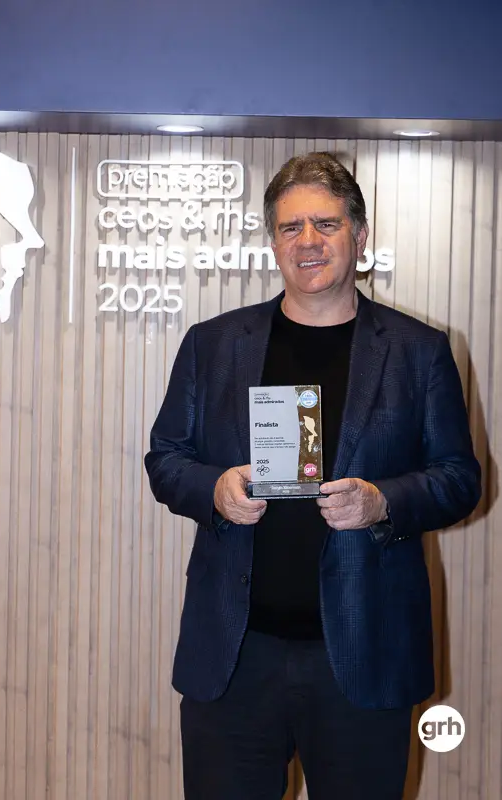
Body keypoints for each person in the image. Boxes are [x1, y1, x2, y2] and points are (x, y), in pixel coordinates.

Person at [144, 152, 481, 800]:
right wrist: (214, 489)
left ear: (359, 235)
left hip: (363, 653)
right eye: (290, 226)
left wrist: (382, 501)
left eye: (326, 224)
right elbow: (166, 459)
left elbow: (458, 478)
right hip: (235, 655)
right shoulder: (212, 345)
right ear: (273, 241)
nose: (308, 241)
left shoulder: (419, 351)